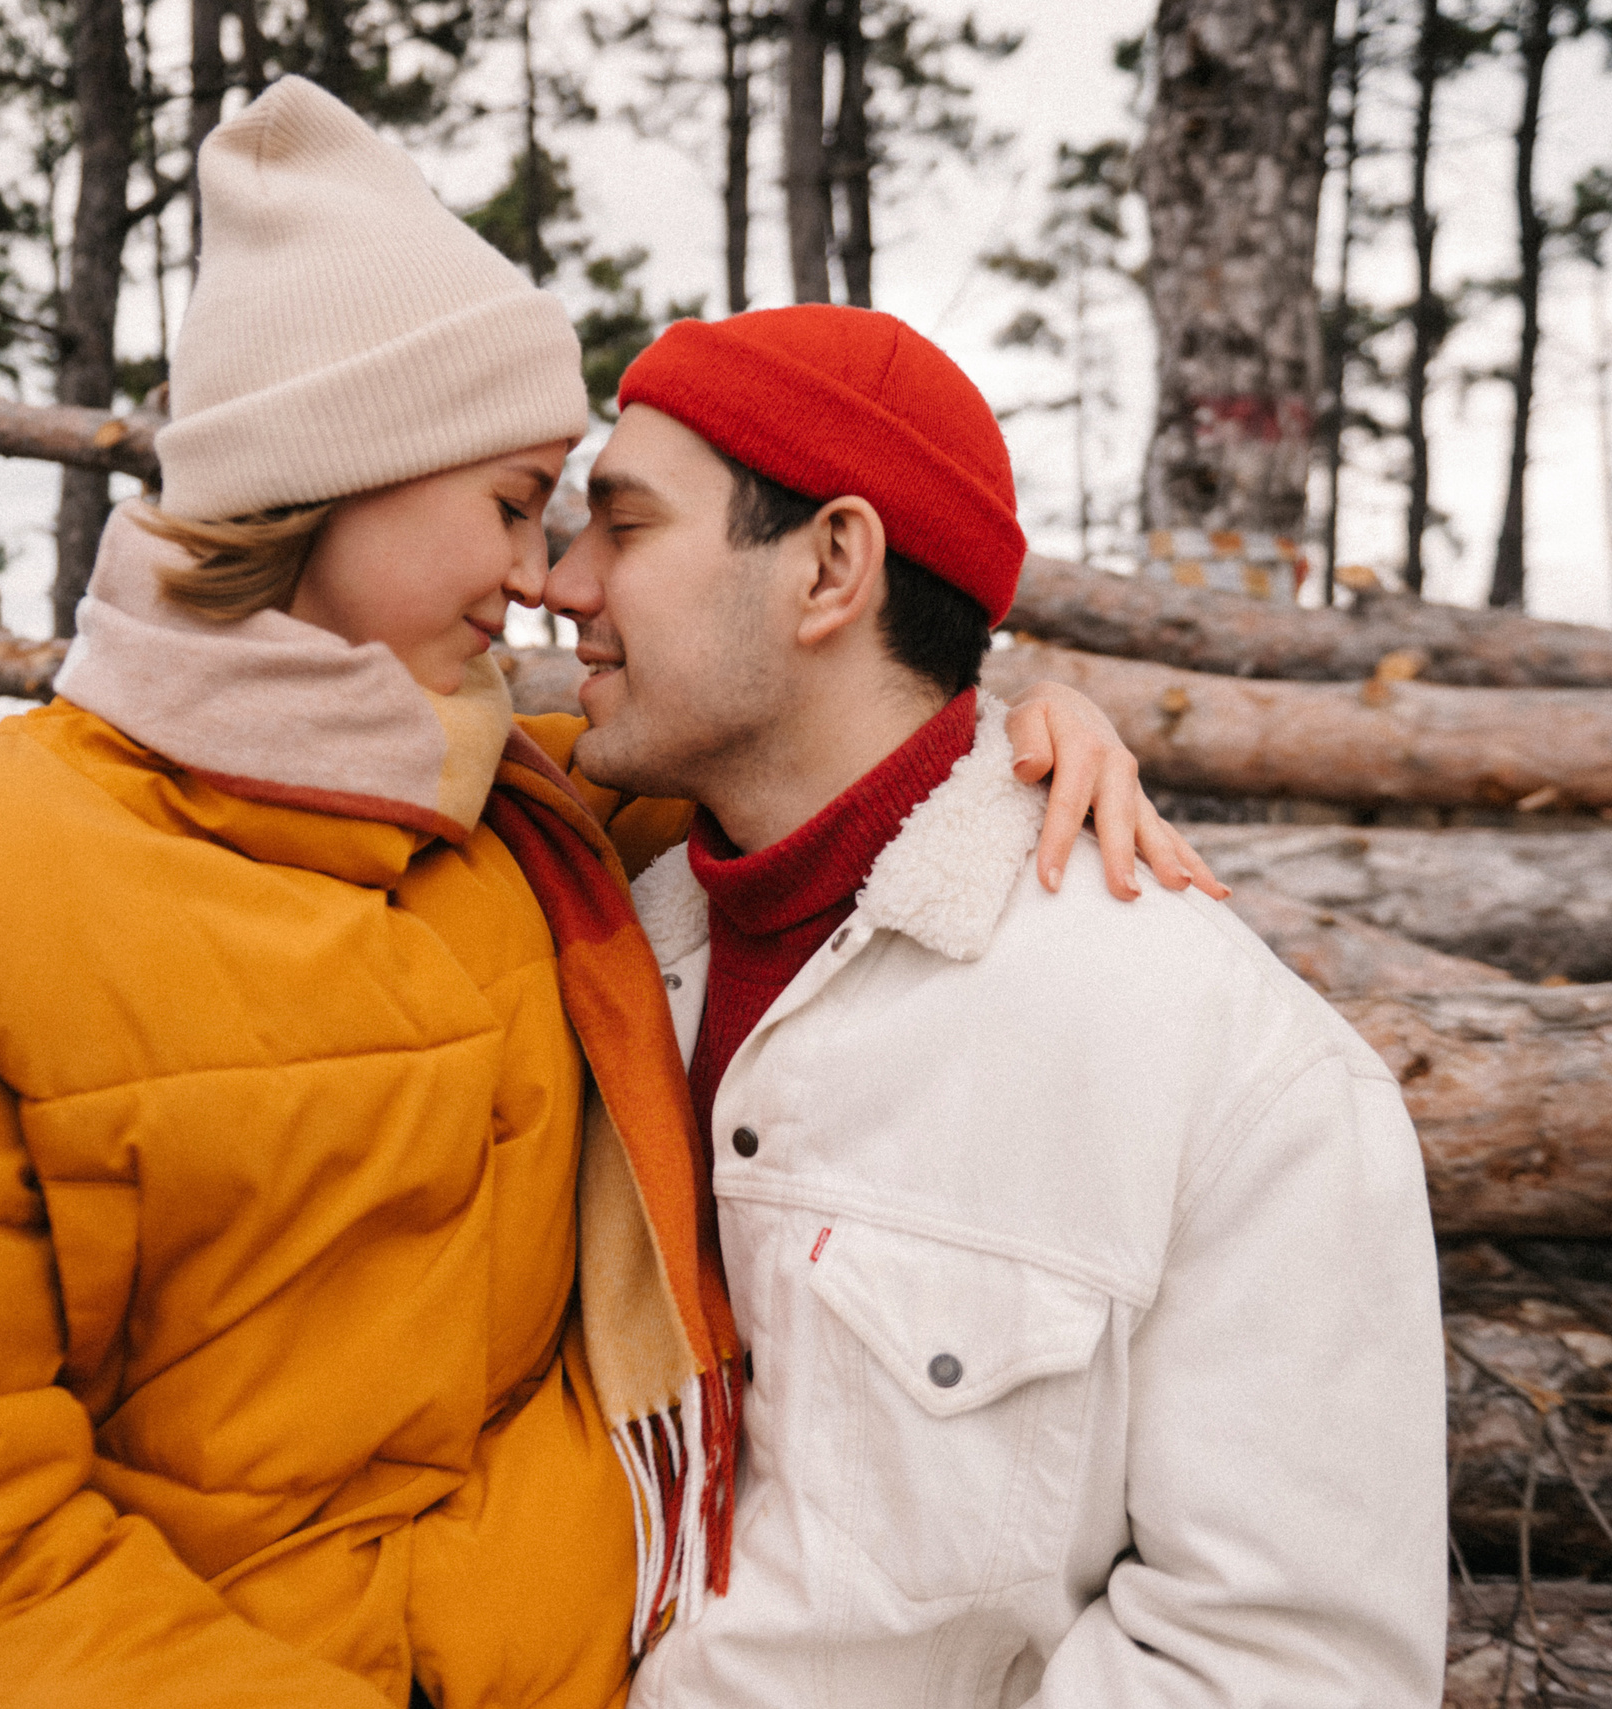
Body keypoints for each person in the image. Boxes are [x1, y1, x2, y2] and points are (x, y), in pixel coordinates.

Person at [0, 80, 1217, 1709]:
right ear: (331, 474)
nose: (541, 574)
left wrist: (1012, 736)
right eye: (510, 502)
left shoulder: (539, 799)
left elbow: (824, 728)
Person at [542, 304, 1450, 1707]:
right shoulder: (575, 936)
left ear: (832, 565)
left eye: (625, 525)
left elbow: (1280, 1666)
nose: (563, 583)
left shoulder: (1226, 1066)